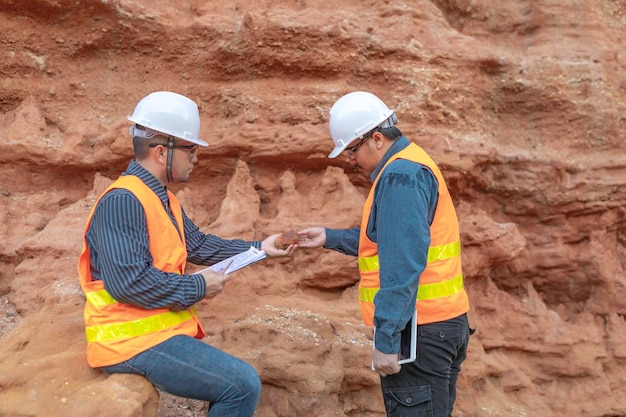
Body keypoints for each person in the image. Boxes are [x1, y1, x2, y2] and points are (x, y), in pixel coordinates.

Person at [77, 91, 296, 417]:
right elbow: (127, 283)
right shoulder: (123, 200)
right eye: (190, 149)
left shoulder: (161, 198)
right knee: (241, 384)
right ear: (161, 151)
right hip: (128, 343)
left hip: (152, 335)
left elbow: (201, 246)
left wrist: (261, 248)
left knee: (237, 381)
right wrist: (198, 287)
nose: (196, 157)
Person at [298, 91, 473, 417]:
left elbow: (402, 261)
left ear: (376, 138)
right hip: (443, 324)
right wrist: (329, 238)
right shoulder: (414, 162)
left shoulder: (399, 177)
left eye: (351, 150)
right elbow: (390, 241)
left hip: (419, 333)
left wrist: (388, 340)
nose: (350, 160)